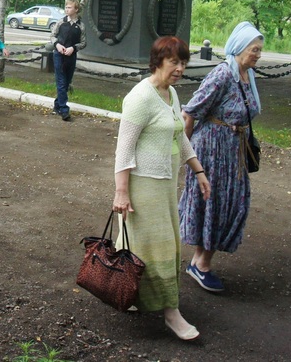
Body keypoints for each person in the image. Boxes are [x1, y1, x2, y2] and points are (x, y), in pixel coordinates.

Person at [113, 37, 209, 341]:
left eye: (183, 63)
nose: (179, 69)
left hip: (166, 183)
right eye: (174, 62)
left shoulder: (171, 94)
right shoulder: (140, 97)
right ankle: (171, 313)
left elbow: (179, 138)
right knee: (160, 245)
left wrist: (199, 171)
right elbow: (123, 150)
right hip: (143, 185)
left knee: (137, 243)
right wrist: (122, 191)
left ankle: (125, 290)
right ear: (158, 62)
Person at [177, 21, 263, 293]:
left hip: (233, 151)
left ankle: (200, 262)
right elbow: (190, 112)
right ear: (239, 49)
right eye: (254, 50)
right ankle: (201, 265)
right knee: (213, 202)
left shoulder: (248, 76)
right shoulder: (222, 75)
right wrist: (187, 153)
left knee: (233, 203)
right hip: (211, 150)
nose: (258, 55)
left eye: (260, 50)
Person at [48, 0, 86, 121]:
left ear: (76, 9)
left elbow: (84, 42)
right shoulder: (60, 22)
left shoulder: (80, 25)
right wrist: (57, 45)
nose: (67, 9)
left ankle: (57, 104)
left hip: (71, 56)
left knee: (67, 81)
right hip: (59, 55)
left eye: (70, 7)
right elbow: (52, 36)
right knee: (61, 81)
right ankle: (64, 110)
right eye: (66, 7)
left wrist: (73, 48)